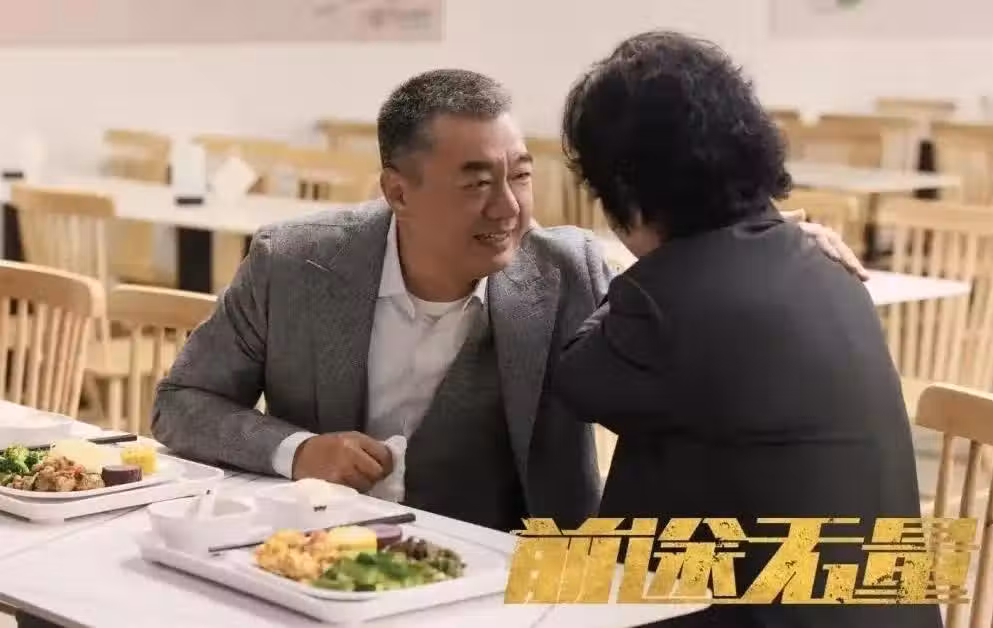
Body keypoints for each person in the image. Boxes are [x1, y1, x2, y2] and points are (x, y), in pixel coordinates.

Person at [150, 69, 862, 535]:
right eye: (475, 183)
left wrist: (765, 240)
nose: (509, 208)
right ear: (397, 191)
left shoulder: (567, 269)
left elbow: (687, 283)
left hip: (503, 581)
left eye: (520, 175)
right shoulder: (292, 263)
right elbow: (181, 403)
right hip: (313, 562)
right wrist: (297, 451)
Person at [551, 31, 941, 628]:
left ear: (625, 187)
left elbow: (577, 378)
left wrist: (645, 271)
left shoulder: (665, 296)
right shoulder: (828, 266)